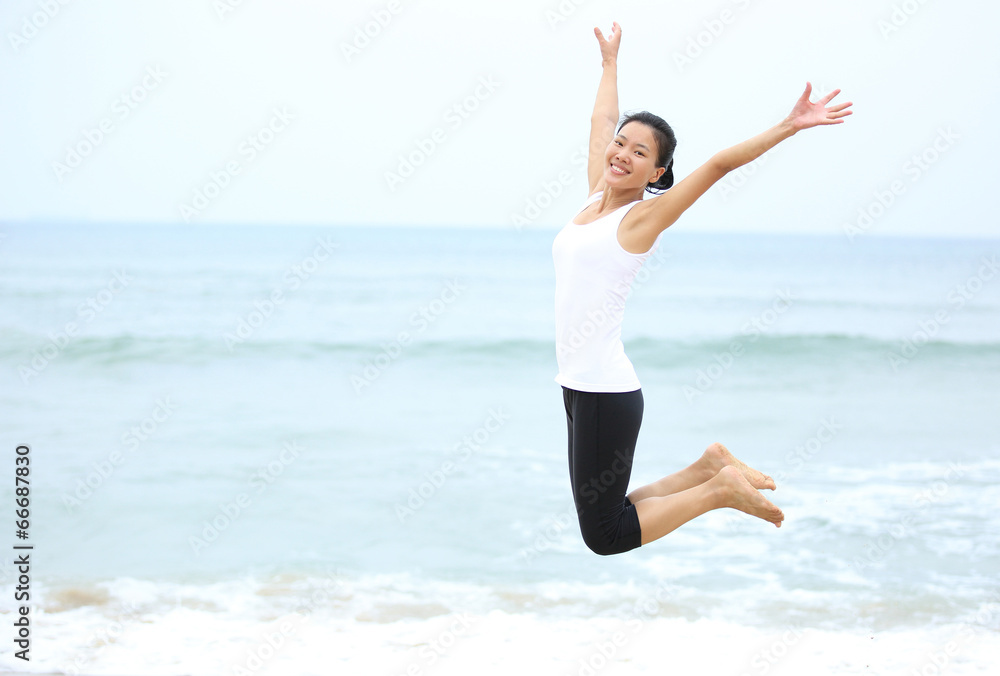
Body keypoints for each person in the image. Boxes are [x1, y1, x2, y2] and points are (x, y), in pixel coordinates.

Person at [553, 22, 852, 556]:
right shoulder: (592, 201)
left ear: (658, 171)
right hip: (578, 387)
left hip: (605, 392)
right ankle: (710, 468)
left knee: (605, 537)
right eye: (621, 144)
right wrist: (609, 64)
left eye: (639, 153)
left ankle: (718, 491)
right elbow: (601, 120)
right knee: (611, 520)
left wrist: (791, 125)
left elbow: (716, 165)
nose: (621, 154)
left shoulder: (641, 221)